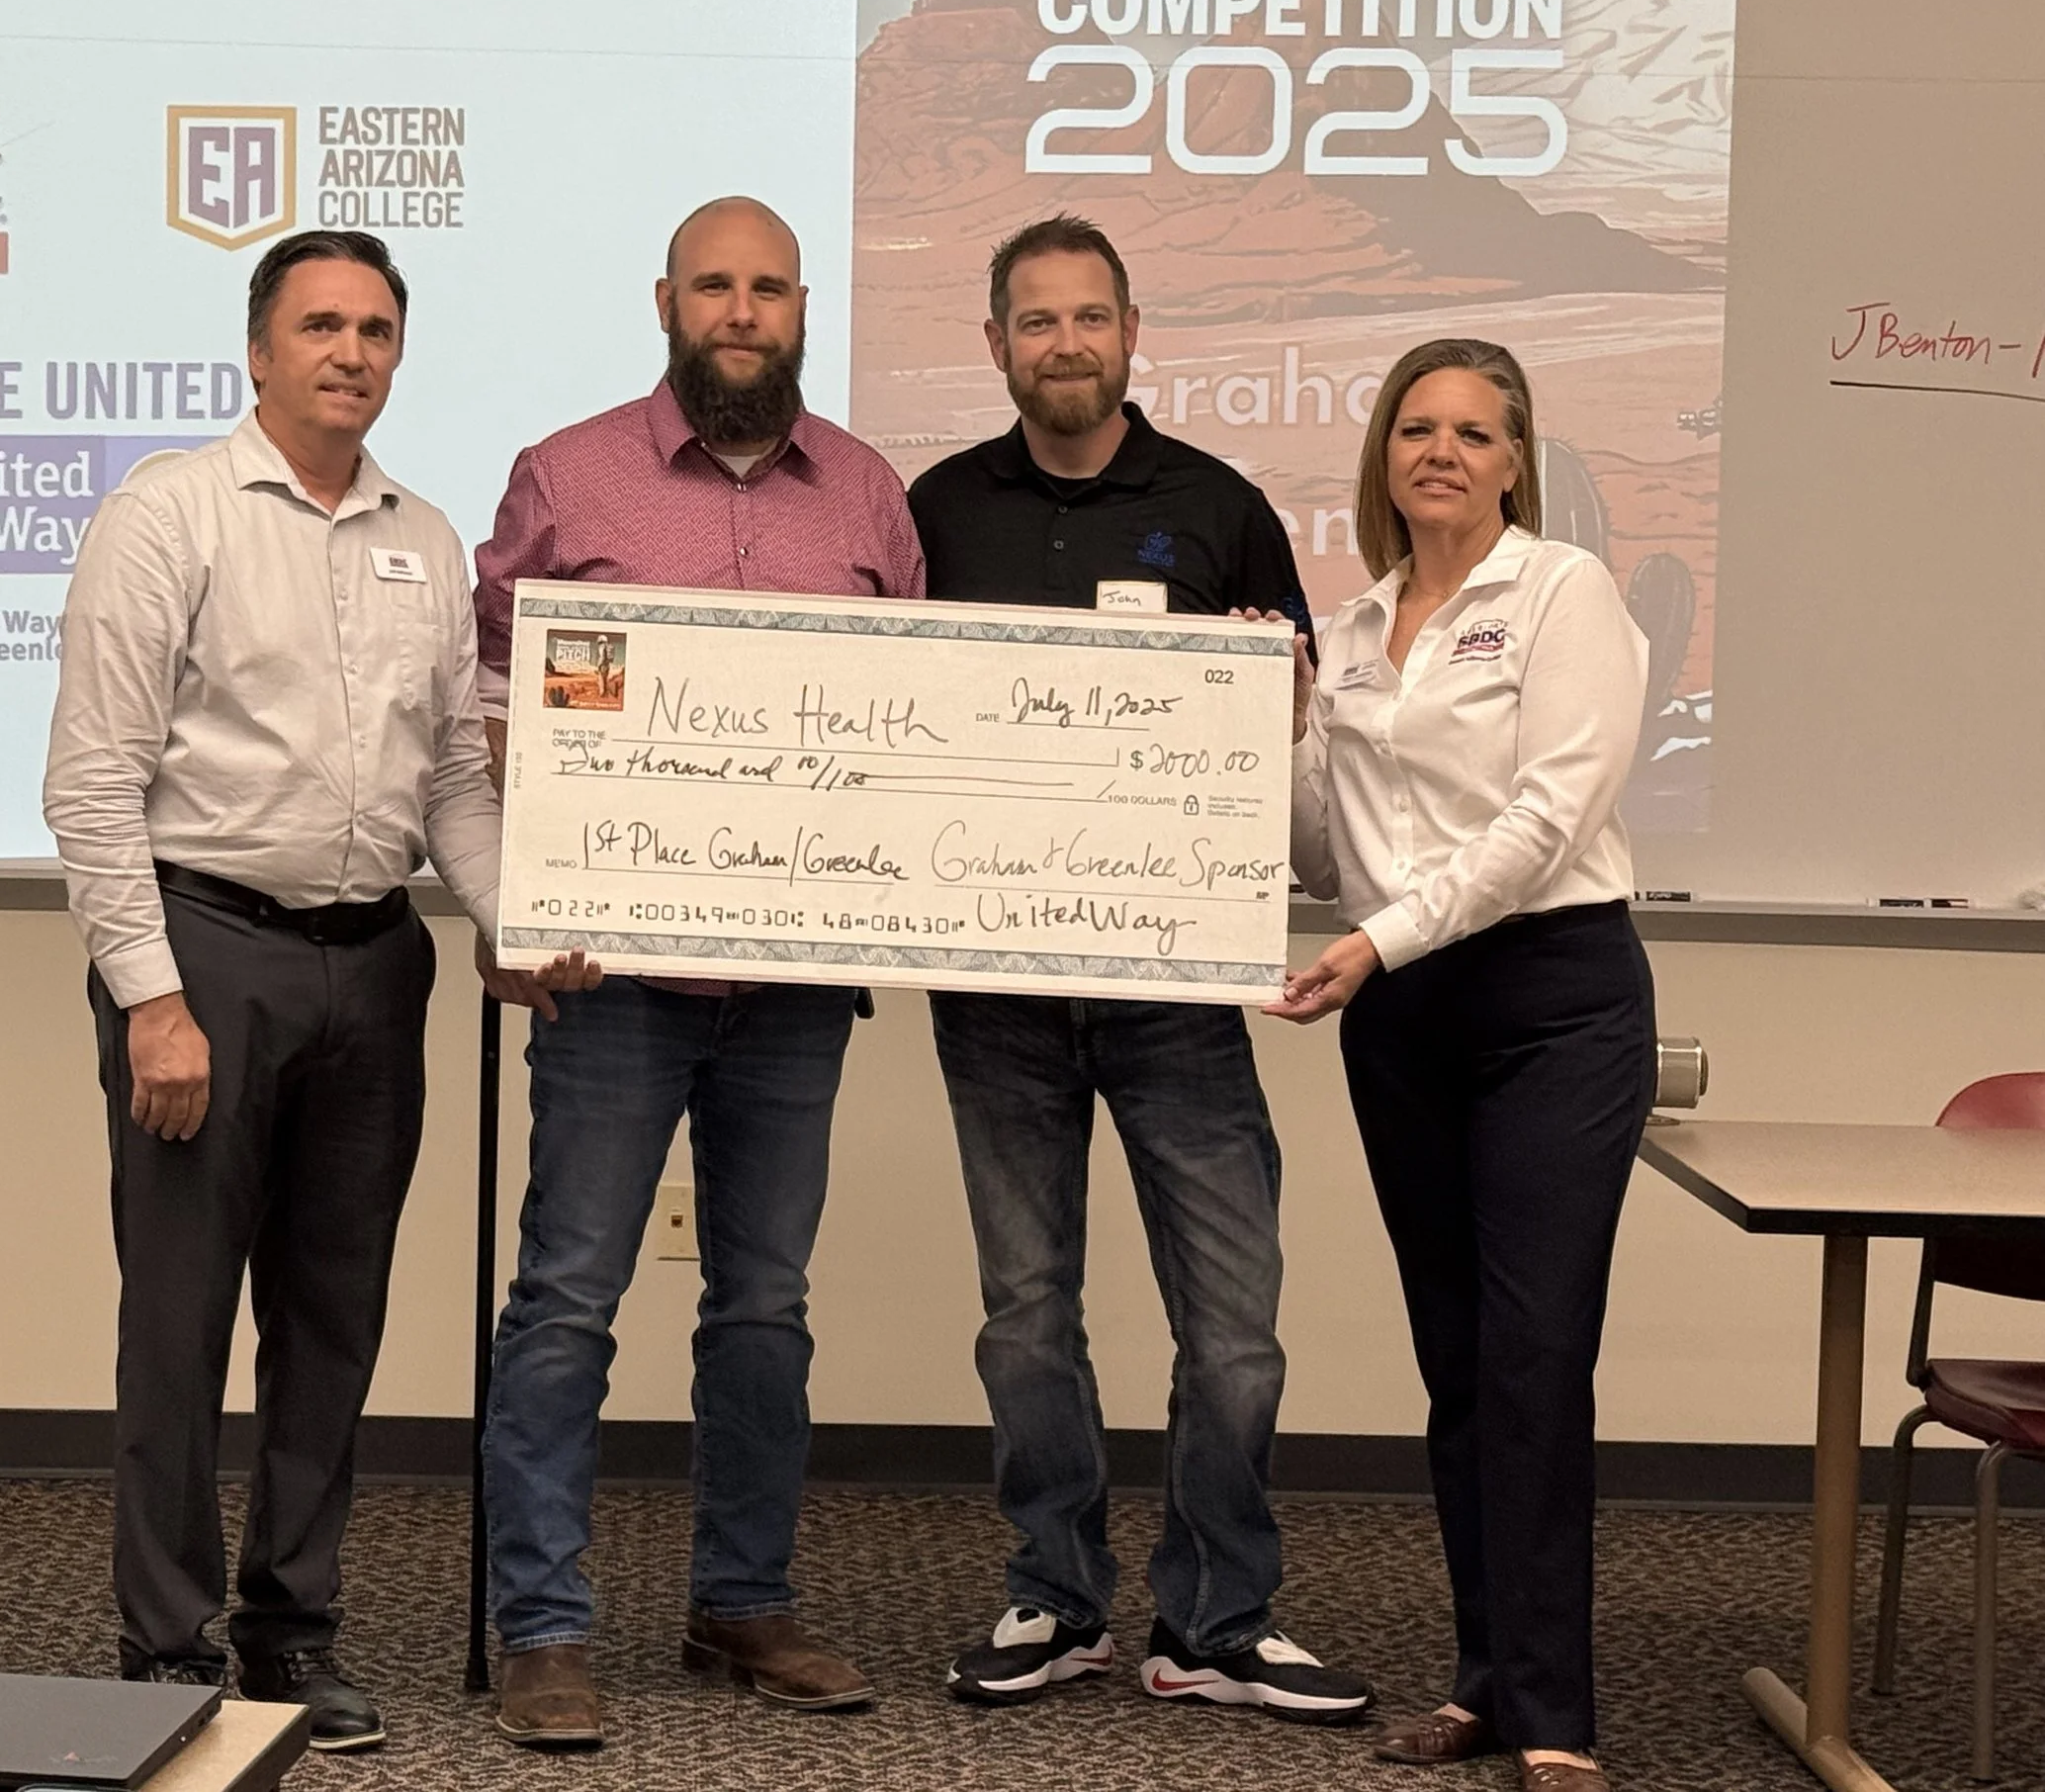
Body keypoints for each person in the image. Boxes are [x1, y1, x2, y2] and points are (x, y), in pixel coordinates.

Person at [44, 229, 588, 1750]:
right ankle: (165, 1643)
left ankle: (292, 1629)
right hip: (205, 954)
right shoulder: (170, 513)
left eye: (376, 328)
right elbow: (91, 777)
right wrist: (149, 995)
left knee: (333, 1319)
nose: (351, 351)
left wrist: (515, 918)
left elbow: (459, 784)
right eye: (321, 325)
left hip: (376, 963)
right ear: (261, 349)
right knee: (178, 1318)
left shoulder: (427, 539)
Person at [902, 214, 1374, 1724]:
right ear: (995, 346)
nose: (1065, 344)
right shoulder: (932, 514)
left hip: (1179, 991)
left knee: (1235, 1326)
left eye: (1089, 316)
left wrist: (1288, 703)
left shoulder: (1224, 507)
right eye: (1034, 321)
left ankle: (1217, 1618)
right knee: (1026, 1312)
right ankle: (1056, 1591)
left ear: (1132, 331)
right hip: (997, 990)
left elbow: (1299, 740)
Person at [472, 196, 926, 1748]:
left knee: (766, 1306)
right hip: (614, 980)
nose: (743, 311)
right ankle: (542, 1623)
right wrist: (519, 883)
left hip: (796, 990)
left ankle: (745, 1600)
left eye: (770, 288)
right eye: (716, 286)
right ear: (667, 299)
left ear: (804, 306)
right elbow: (485, 689)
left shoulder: (868, 495)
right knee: (566, 1299)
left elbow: (915, 723)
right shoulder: (566, 474)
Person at [1271, 337, 1654, 1792]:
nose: (1441, 451)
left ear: (1514, 459)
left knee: (1539, 1356)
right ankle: (1486, 1679)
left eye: (1474, 433)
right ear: (1382, 453)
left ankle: (1558, 1710)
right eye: (1416, 428)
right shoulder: (1360, 624)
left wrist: (1381, 940)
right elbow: (1322, 848)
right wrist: (1279, 727)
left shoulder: (1564, 594)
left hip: (1554, 996)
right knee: (1459, 1364)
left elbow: (1550, 817)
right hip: (1407, 1010)